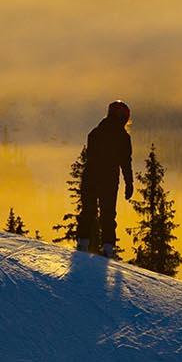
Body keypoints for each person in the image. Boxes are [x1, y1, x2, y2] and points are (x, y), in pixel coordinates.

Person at [79, 100, 134, 256]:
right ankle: (108, 247)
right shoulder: (123, 137)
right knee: (108, 214)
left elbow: (91, 156)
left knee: (88, 210)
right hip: (109, 180)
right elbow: (126, 161)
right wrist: (129, 183)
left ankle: (83, 243)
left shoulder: (96, 132)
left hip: (91, 176)